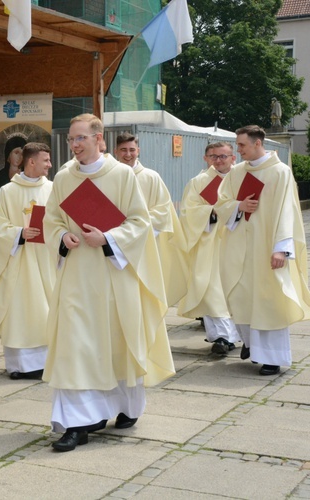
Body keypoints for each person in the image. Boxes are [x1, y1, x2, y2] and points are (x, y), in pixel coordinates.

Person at [43, 114, 174, 452]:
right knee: (75, 346)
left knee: (115, 343)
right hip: (76, 276)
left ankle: (123, 406)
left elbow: (140, 222)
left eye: (81, 138)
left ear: (99, 139)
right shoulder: (62, 177)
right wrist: (63, 235)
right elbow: (52, 218)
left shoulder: (121, 175)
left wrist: (109, 237)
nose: (74, 145)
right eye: (72, 139)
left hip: (114, 274)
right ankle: (77, 423)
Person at [216, 125, 310, 376]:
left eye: (241, 145)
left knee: (269, 300)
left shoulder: (280, 172)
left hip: (267, 248)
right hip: (240, 246)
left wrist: (281, 250)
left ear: (258, 143)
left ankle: (272, 358)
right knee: (240, 295)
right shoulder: (236, 173)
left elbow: (288, 211)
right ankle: (252, 347)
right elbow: (222, 202)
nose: (237, 151)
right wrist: (238, 205)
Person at [0, 142, 55, 380]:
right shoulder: (8, 192)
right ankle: (19, 365)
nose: (49, 164)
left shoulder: (53, 189)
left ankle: (47, 362)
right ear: (31, 162)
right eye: (46, 160)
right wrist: (19, 233)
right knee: (20, 311)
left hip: (46, 261)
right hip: (18, 262)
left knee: (45, 311)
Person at [177, 142, 241, 354]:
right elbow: (187, 212)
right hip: (209, 242)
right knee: (211, 289)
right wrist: (212, 211)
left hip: (238, 241)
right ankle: (221, 337)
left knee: (237, 289)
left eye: (223, 156)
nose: (219, 160)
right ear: (206, 159)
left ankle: (241, 336)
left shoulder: (241, 178)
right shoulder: (199, 182)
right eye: (213, 156)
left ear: (233, 158)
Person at [114, 132, 188, 306]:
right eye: (123, 150)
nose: (128, 154)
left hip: (145, 242)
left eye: (132, 149)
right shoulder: (110, 176)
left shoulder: (151, 177)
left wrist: (136, 225)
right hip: (115, 242)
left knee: (144, 290)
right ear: (116, 151)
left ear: (138, 150)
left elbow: (163, 211)